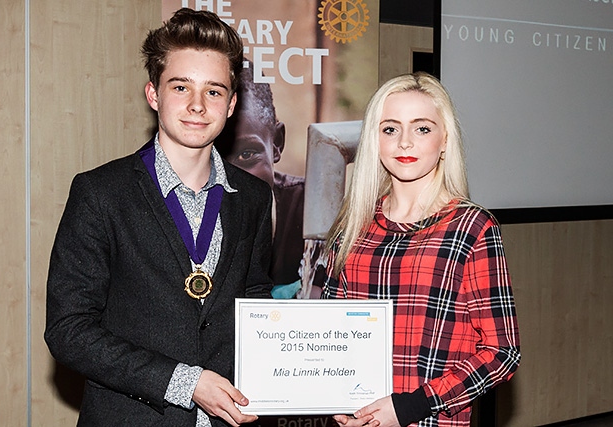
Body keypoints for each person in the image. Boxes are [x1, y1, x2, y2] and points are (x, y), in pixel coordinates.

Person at [44, 8, 273, 427]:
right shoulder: (100, 193)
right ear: (154, 94)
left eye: (214, 91)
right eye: (181, 87)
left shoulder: (255, 197)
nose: (198, 106)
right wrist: (184, 383)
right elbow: (69, 330)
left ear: (232, 103)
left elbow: (254, 298)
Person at [321, 72, 520, 427]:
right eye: (390, 129)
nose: (404, 143)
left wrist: (410, 406)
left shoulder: (471, 228)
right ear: (374, 141)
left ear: (445, 140)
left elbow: (502, 353)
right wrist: (333, 397)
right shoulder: (353, 229)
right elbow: (329, 334)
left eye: (422, 128)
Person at [216, 61, 324, 299]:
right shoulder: (181, 213)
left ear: (276, 143)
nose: (231, 178)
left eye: (246, 155)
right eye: (215, 159)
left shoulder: (313, 210)